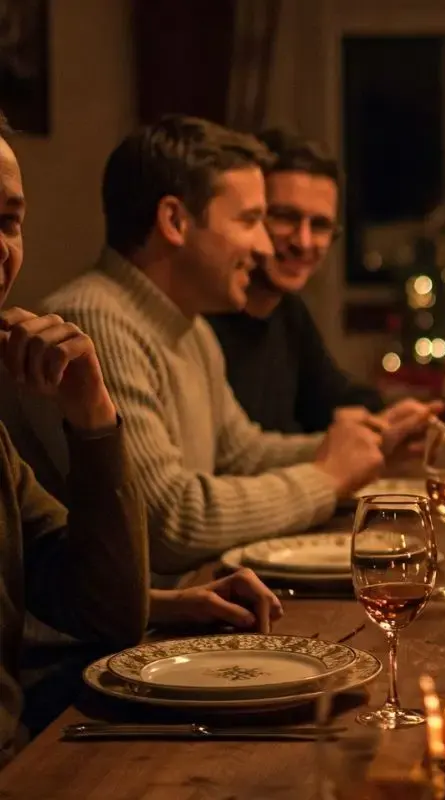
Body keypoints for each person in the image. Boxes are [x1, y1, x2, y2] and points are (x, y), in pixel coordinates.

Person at [0, 112, 280, 768]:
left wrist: (94, 413)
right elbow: (175, 521)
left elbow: (103, 608)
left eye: (9, 220)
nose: (2, 247)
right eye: (252, 219)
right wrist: (339, 469)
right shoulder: (96, 311)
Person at [39, 116, 402, 577]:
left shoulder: (191, 329)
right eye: (251, 220)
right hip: (104, 643)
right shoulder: (94, 322)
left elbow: (242, 454)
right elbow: (169, 522)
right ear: (174, 220)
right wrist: (326, 478)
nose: (265, 245)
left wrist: (354, 446)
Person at [206, 128, 435, 436]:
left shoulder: (288, 312)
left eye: (319, 225)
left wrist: (408, 415)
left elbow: (336, 401)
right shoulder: (201, 320)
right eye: (285, 217)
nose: (303, 241)